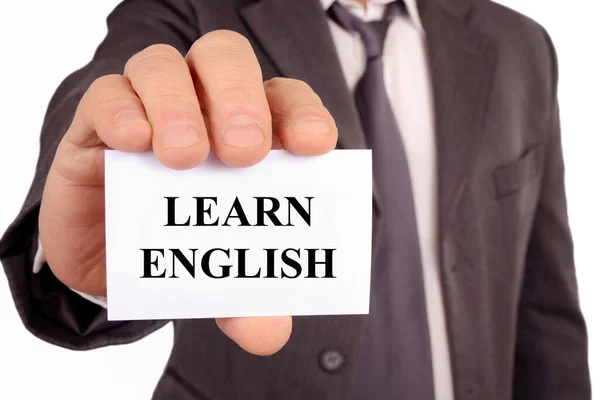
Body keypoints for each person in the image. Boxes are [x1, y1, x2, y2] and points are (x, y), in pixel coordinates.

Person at [0, 0, 591, 398]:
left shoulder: (520, 45)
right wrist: (105, 219)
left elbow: (544, 307)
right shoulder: (188, 9)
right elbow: (112, 84)